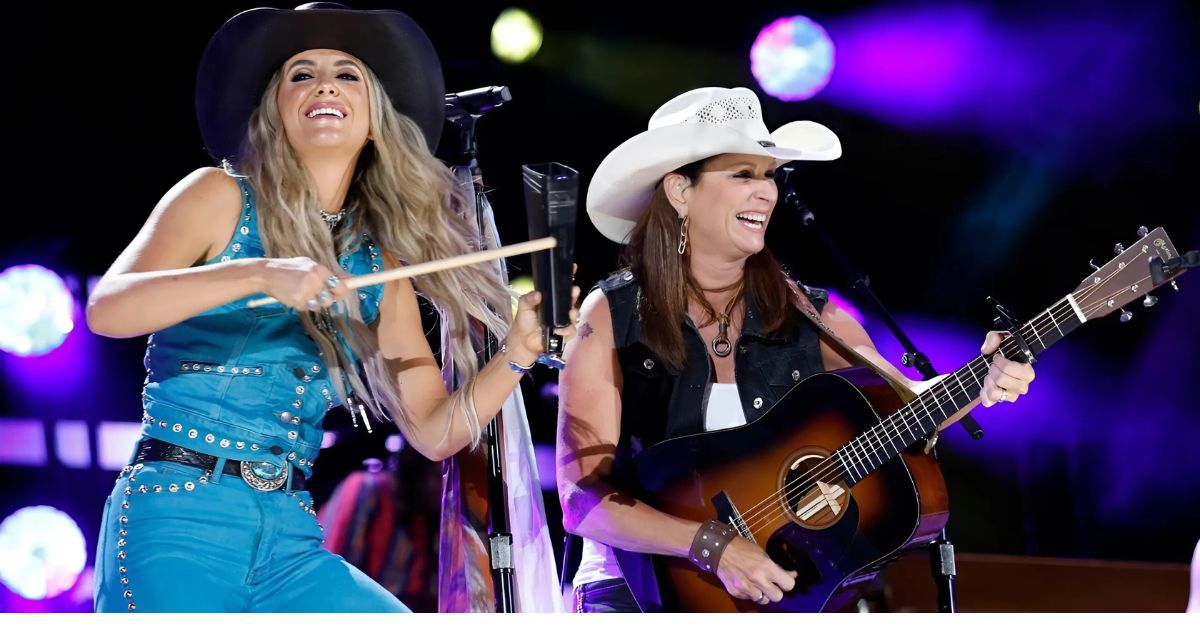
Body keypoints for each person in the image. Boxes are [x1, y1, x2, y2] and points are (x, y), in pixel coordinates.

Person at [86, 3, 575, 612]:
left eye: (348, 74)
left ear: (374, 118)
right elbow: (107, 310)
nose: (324, 84)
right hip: (180, 515)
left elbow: (434, 431)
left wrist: (518, 353)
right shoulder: (216, 194)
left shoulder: (380, 266)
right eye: (301, 74)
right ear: (276, 111)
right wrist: (257, 272)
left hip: (290, 533)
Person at [555, 86, 1036, 612]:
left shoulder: (811, 312)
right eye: (743, 174)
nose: (765, 192)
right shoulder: (613, 312)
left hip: (783, 595)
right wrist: (712, 546)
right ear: (679, 190)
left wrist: (984, 381)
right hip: (635, 594)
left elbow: (907, 402)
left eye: (768, 176)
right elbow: (581, 500)